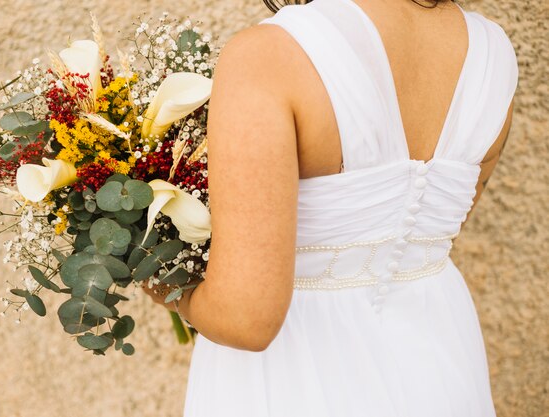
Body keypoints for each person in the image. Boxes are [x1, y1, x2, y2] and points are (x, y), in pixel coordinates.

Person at [143, 0, 518, 415]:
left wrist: (160, 282)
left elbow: (244, 319)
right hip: (440, 354)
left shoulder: (269, 56)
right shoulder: (492, 53)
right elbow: (437, 227)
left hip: (299, 369)